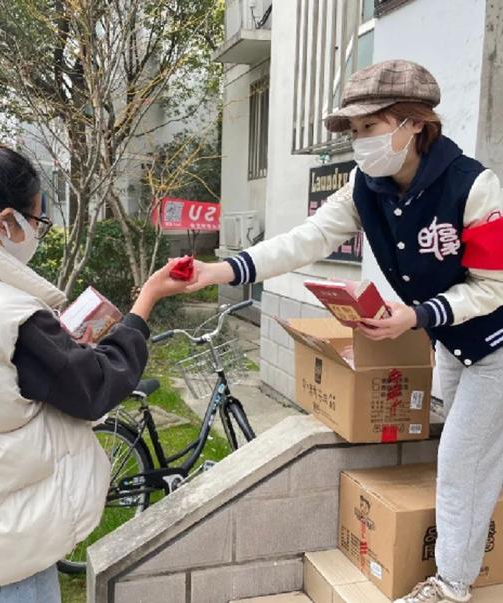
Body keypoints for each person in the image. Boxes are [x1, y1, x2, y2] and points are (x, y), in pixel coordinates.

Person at [188, 60, 503, 603]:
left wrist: (416, 315)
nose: (358, 142)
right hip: (452, 341)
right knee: (474, 454)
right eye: (353, 131)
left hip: (495, 344)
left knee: (461, 461)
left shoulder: (473, 186)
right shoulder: (366, 186)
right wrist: (221, 270)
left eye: (368, 127)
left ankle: (452, 587)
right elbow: (303, 240)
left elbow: (494, 287)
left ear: (413, 125)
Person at [0, 118, 190, 602]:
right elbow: (96, 385)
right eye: (38, 220)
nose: (37, 232)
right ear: (6, 223)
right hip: (6, 552)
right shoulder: (10, 316)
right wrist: (147, 303)